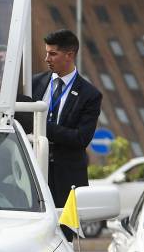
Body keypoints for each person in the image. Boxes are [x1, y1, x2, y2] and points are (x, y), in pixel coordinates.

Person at [15, 30, 102, 208]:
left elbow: (80, 138)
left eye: (53, 54)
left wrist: (40, 126)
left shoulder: (90, 95)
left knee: (66, 232)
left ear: (69, 55)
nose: (47, 58)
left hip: (67, 179)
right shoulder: (33, 84)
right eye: (47, 52)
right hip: (32, 174)